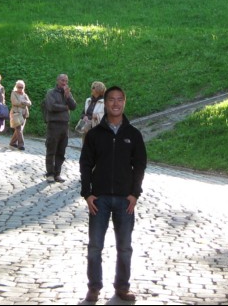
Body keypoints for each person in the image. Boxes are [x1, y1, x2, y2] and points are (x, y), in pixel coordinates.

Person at [79, 86, 147, 303]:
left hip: (124, 200)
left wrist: (135, 194)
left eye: (119, 100)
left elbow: (140, 165)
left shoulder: (133, 135)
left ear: (124, 103)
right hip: (99, 199)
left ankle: (122, 287)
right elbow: (85, 164)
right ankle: (94, 287)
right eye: (111, 100)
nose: (115, 104)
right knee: (95, 247)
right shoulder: (95, 134)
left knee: (125, 247)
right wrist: (87, 194)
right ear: (105, 103)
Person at [41, 73, 77, 182]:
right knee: (51, 149)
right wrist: (65, 107)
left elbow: (74, 106)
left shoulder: (67, 94)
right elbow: (51, 106)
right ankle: (50, 174)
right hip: (53, 124)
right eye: (62, 80)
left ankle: (57, 173)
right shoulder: (51, 93)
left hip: (64, 125)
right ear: (57, 81)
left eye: (66, 80)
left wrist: (68, 96)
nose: (64, 83)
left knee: (61, 151)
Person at [9, 79, 31, 150]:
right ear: (16, 86)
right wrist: (24, 103)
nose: (20, 88)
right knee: (19, 129)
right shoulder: (14, 93)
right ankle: (21, 145)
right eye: (19, 87)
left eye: (21, 87)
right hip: (16, 113)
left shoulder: (25, 95)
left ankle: (12, 142)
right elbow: (15, 102)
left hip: (24, 114)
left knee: (19, 129)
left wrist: (23, 102)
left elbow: (29, 103)